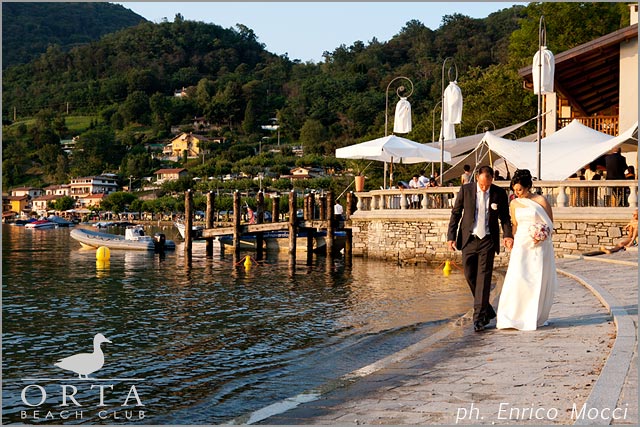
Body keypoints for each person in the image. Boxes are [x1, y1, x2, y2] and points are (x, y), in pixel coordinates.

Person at [447, 166, 514, 332]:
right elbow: (456, 213)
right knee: (470, 275)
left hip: (488, 240)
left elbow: (505, 217)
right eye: (482, 184)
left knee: (484, 278)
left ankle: (478, 318)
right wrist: (451, 236)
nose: (484, 188)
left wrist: (507, 235)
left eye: (488, 184)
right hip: (469, 238)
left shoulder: (499, 193)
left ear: (492, 180)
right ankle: (487, 309)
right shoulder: (466, 190)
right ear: (477, 178)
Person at [496, 169, 557, 331]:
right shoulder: (514, 203)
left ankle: (532, 315)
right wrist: (510, 239)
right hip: (521, 244)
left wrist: (541, 235)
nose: (517, 193)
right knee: (518, 277)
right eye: (514, 190)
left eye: (520, 190)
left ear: (528, 186)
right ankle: (512, 316)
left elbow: (550, 224)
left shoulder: (541, 200)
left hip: (538, 245)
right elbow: (515, 224)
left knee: (534, 279)